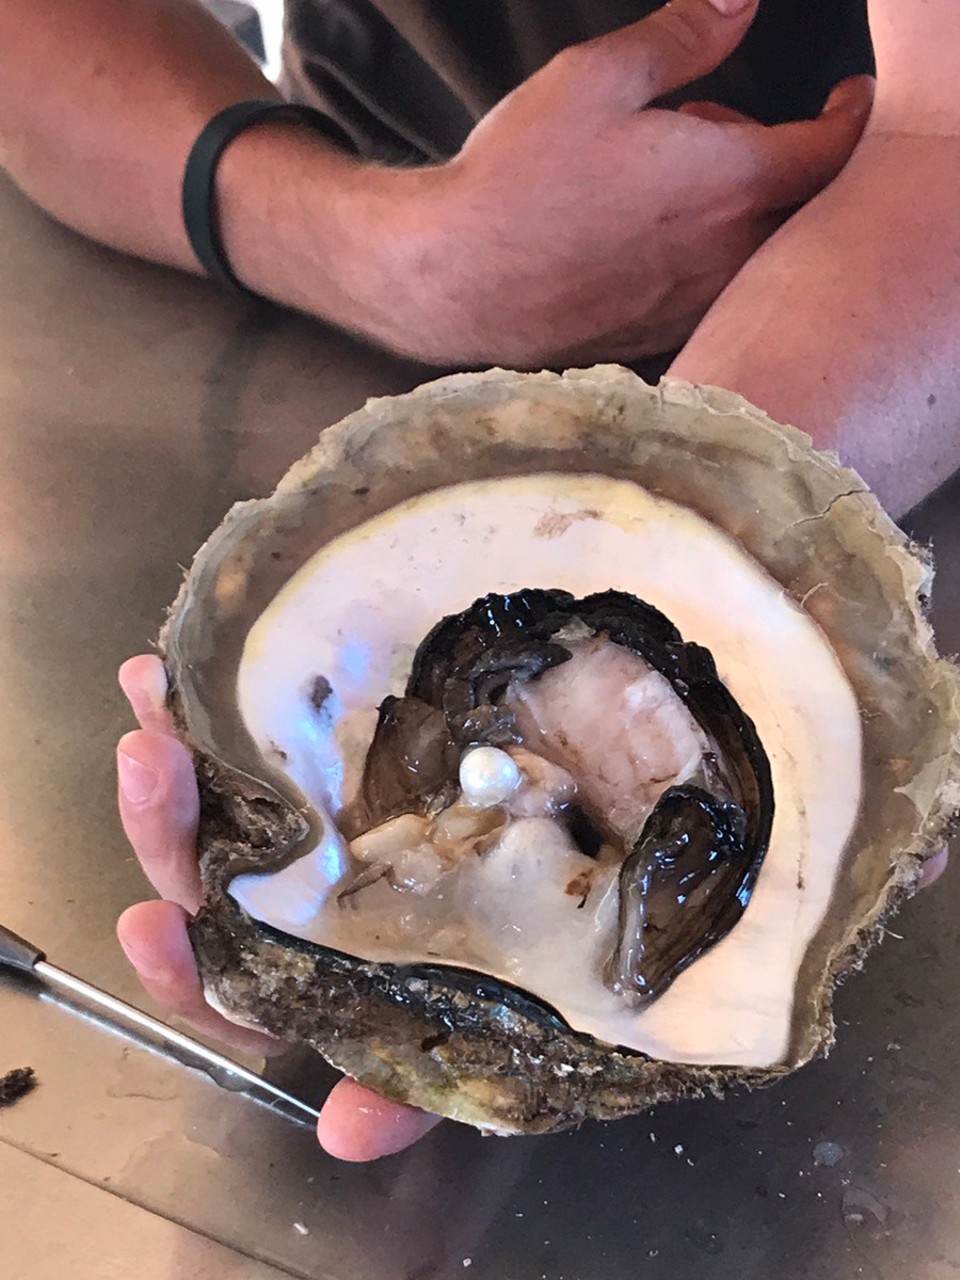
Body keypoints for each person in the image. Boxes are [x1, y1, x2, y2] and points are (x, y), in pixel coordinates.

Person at [3, 0, 957, 1161]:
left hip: (886, 337)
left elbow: (942, 136)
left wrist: (727, 513)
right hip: (350, 226)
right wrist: (360, 240)